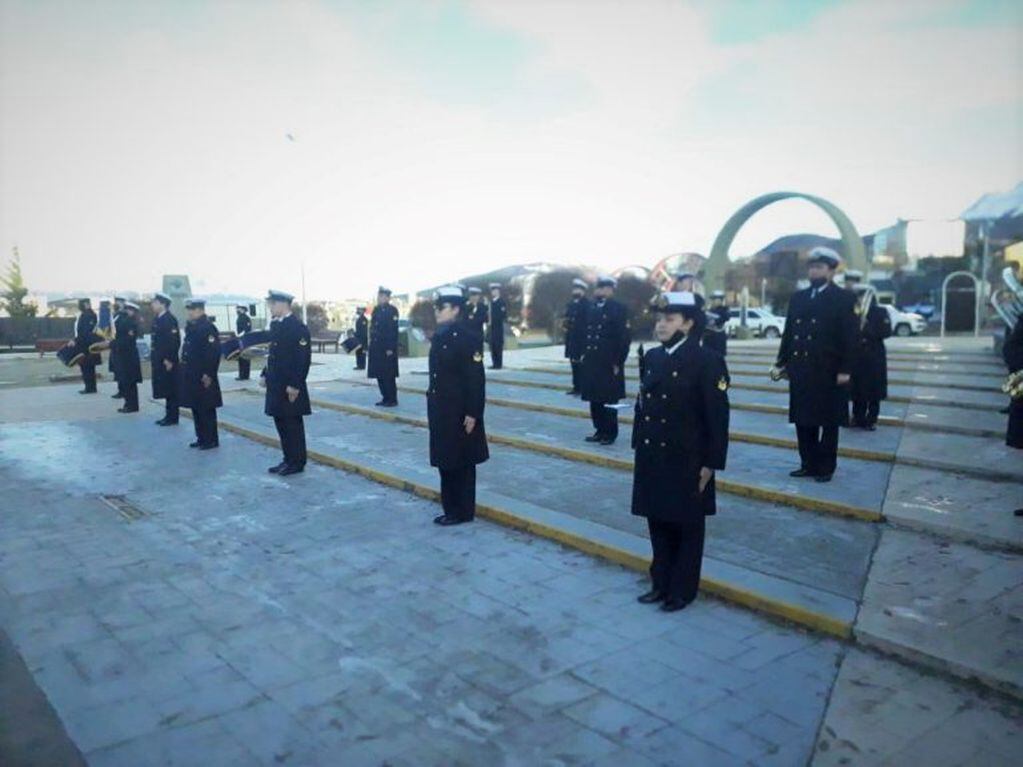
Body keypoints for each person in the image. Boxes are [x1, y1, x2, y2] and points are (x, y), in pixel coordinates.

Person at [632, 291, 729, 612]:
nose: (660, 325)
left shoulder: (707, 361)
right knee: (657, 522)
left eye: (669, 319)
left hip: (687, 458)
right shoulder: (654, 356)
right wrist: (638, 446)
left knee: (687, 527)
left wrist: (711, 464)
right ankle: (660, 583)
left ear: (687, 323)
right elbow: (643, 405)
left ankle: (682, 590)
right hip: (653, 456)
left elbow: (717, 417)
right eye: (659, 319)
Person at [773, 247, 856, 482]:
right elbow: (790, 332)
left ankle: (825, 467)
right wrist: (782, 362)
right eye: (811, 267)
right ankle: (808, 463)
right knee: (803, 420)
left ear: (831, 271)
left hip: (829, 369)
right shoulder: (799, 297)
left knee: (828, 422)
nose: (814, 271)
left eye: (819, 267)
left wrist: (846, 369)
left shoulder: (844, 298)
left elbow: (850, 338)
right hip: (801, 367)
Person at [427, 286, 488, 526]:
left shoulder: (466, 337)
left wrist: (473, 412)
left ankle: (463, 511)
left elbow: (475, 379)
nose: (438, 313)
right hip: (442, 409)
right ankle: (450, 507)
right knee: (446, 460)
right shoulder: (442, 335)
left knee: (461, 462)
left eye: (441, 308)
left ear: (455, 309)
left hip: (459, 411)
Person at [261, 290, 312, 475]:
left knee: (292, 425)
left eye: (272, 304)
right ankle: (287, 459)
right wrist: (265, 373)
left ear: (283, 304)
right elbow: (273, 354)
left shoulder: (297, 327)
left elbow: (302, 359)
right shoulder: (276, 325)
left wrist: (295, 385)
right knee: (281, 423)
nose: (270, 308)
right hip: (276, 383)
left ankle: (297, 462)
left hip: (290, 386)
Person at [579, 276, 631, 445]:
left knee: (609, 400)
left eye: (603, 288)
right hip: (593, 360)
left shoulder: (618, 308)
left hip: (609, 361)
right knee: (595, 398)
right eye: (598, 288)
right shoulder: (592, 307)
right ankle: (599, 430)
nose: (599, 291)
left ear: (610, 289)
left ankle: (610, 432)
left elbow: (624, 338)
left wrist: (618, 362)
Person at [179, 299, 222, 449]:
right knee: (196, 407)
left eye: (192, 310)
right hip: (192, 374)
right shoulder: (193, 327)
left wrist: (208, 374)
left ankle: (211, 439)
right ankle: (201, 437)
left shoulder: (208, 328)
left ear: (199, 310)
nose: (189, 313)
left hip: (204, 376)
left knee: (206, 408)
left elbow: (213, 353)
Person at [849, 285, 891, 430]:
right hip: (857, 355)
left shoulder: (880, 311)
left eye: (862, 296)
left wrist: (867, 328)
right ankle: (857, 417)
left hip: (874, 355)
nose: (860, 300)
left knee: (874, 389)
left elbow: (886, 332)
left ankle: (871, 419)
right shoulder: (853, 312)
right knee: (857, 388)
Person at [150, 292, 181, 426]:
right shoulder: (158, 319)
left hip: (167, 361)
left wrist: (169, 359)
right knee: (165, 388)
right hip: (159, 359)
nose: (153, 305)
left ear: (163, 304)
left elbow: (174, 341)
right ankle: (169, 415)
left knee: (171, 389)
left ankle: (172, 417)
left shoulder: (169, 319)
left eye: (155, 302)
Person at [368, 286, 400, 407]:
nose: (379, 298)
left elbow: (392, 330)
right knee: (379, 374)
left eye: (381, 296)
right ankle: (385, 397)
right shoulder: (376, 310)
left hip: (387, 348)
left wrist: (390, 348)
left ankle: (392, 399)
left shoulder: (392, 310)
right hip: (377, 348)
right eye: (378, 296)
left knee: (388, 374)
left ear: (387, 297)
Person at [113, 301, 143, 413]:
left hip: (129, 356)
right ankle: (128, 404)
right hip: (122, 355)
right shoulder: (123, 320)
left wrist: (112, 344)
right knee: (125, 381)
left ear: (133, 311)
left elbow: (128, 340)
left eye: (129, 310)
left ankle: (132, 405)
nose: (126, 311)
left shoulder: (131, 323)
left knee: (130, 382)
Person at [563, 278, 589, 396]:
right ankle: (576, 387)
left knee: (583, 365)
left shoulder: (587, 304)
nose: (576, 291)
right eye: (575, 289)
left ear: (583, 291)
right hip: (571, 338)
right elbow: (566, 319)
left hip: (582, 339)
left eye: (578, 289)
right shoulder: (571, 304)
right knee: (574, 364)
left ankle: (584, 387)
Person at [72, 298, 100, 394]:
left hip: (88, 346)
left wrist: (76, 340)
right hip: (84, 345)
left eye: (82, 304)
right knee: (86, 367)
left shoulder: (90, 315)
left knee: (88, 367)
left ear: (87, 304)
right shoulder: (84, 315)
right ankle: (89, 386)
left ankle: (90, 387)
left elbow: (86, 332)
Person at [109, 296, 126, 399]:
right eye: (116, 302)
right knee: (117, 370)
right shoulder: (115, 315)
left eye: (119, 302)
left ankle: (123, 391)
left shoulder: (124, 316)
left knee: (122, 370)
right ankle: (120, 390)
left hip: (121, 349)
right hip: (115, 347)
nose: (116, 304)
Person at [703, 290, 729, 357]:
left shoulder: (724, 310)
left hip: (718, 337)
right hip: (708, 337)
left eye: (716, 299)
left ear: (721, 300)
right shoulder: (709, 309)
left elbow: (725, 317)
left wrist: (715, 321)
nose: (713, 301)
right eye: (712, 299)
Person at [487, 282, 506, 369]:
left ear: (498, 291)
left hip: (498, 327)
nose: (493, 293)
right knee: (492, 345)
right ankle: (494, 363)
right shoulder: (491, 302)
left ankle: (499, 364)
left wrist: (493, 319)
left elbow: (503, 315)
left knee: (498, 346)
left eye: (495, 291)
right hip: (491, 327)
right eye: (492, 291)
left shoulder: (501, 302)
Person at [465, 287, 488, 352]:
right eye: (472, 296)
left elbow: (485, 319)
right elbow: (463, 320)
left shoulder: (482, 307)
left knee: (478, 357)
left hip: (478, 335)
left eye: (476, 296)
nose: (474, 298)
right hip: (467, 336)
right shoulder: (466, 307)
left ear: (478, 297)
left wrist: (474, 319)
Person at [235, 305, 253, 380]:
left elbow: (247, 329)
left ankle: (244, 375)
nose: (237, 310)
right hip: (241, 339)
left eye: (238, 308)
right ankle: (243, 374)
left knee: (245, 357)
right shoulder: (240, 317)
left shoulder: (246, 318)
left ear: (243, 309)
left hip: (244, 339)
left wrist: (241, 335)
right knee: (242, 357)